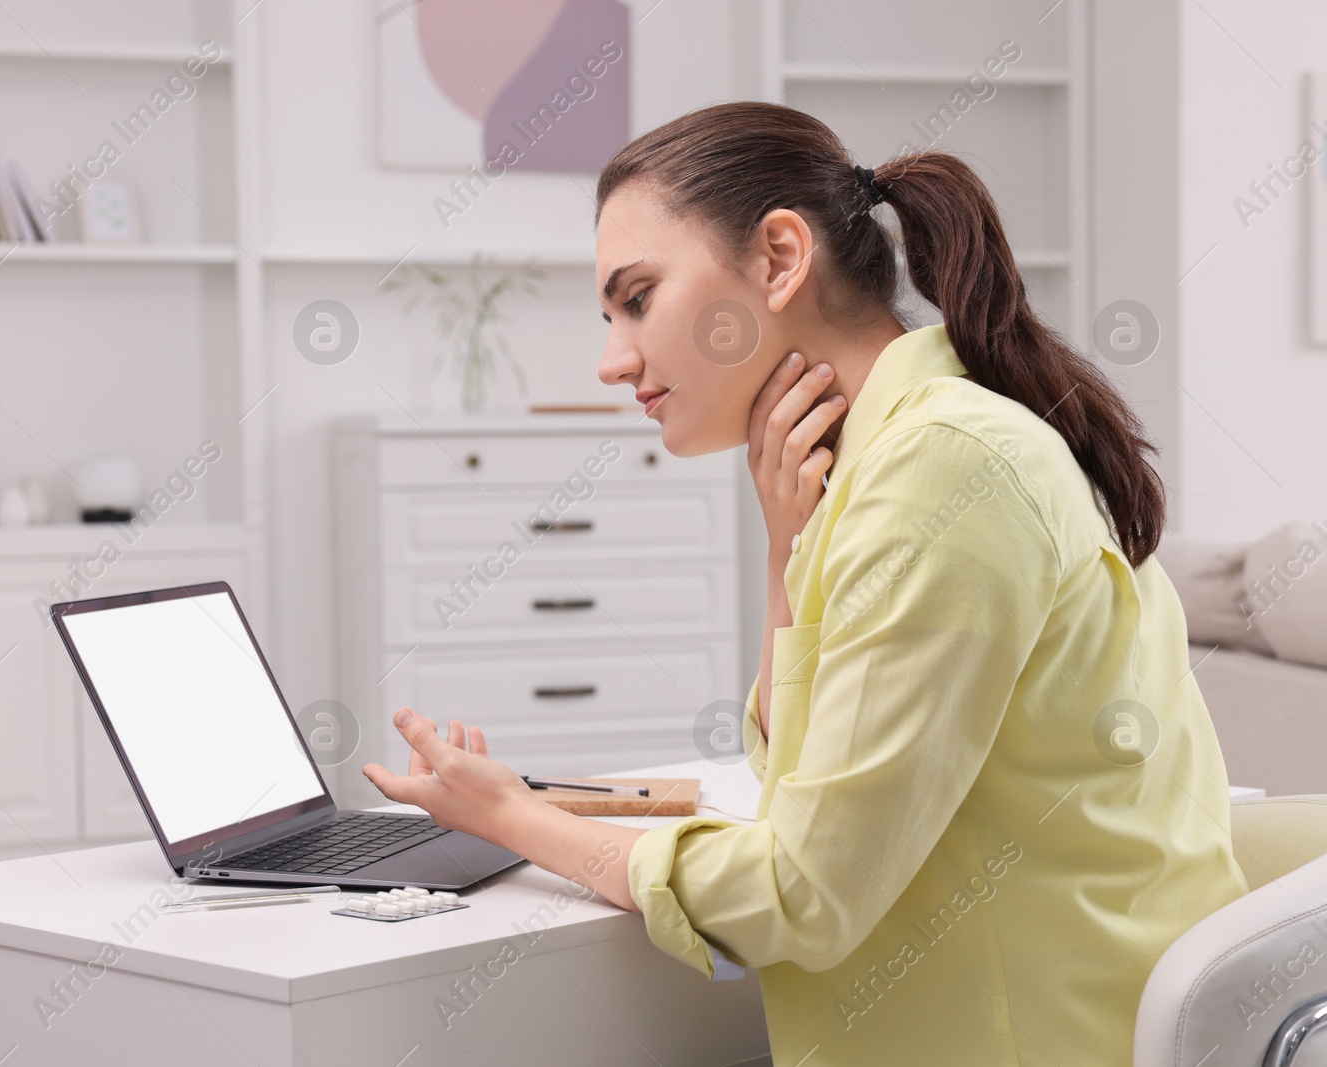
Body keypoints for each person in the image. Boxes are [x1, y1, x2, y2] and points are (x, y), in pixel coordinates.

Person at [362, 101, 1247, 1065]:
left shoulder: (943, 467)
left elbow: (802, 893)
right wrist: (790, 557)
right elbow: (802, 787)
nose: (615, 360)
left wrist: (509, 818)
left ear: (780, 258)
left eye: (639, 297)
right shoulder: (898, 457)